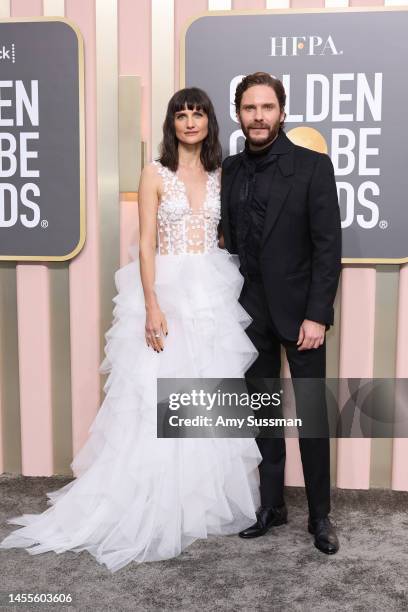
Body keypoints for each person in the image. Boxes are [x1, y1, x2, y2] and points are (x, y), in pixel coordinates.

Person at [0, 88, 262, 573]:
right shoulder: (153, 173)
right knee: (156, 396)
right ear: (172, 123)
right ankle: (151, 498)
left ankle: (196, 501)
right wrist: (152, 307)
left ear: (209, 122)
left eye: (197, 114)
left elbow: (226, 235)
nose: (189, 122)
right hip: (167, 289)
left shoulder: (223, 173)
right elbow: (144, 245)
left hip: (212, 291)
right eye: (181, 115)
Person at [220, 72, 342, 554]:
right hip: (249, 315)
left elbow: (327, 248)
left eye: (266, 108)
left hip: (302, 316)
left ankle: (321, 516)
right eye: (249, 108)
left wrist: (318, 314)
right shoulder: (228, 169)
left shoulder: (313, 167)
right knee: (264, 415)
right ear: (238, 113)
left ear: (281, 112)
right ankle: (271, 506)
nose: (258, 116)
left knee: (311, 416)